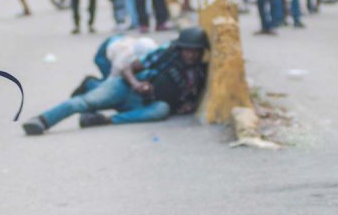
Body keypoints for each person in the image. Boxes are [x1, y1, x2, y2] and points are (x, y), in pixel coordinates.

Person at [20, 27, 208, 135]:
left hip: (141, 106)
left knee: (162, 110)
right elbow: (128, 67)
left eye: (195, 51)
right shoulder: (166, 55)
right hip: (123, 88)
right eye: (187, 51)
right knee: (85, 102)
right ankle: (43, 120)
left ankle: (104, 120)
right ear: (181, 49)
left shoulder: (199, 74)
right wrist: (137, 84)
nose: (191, 55)